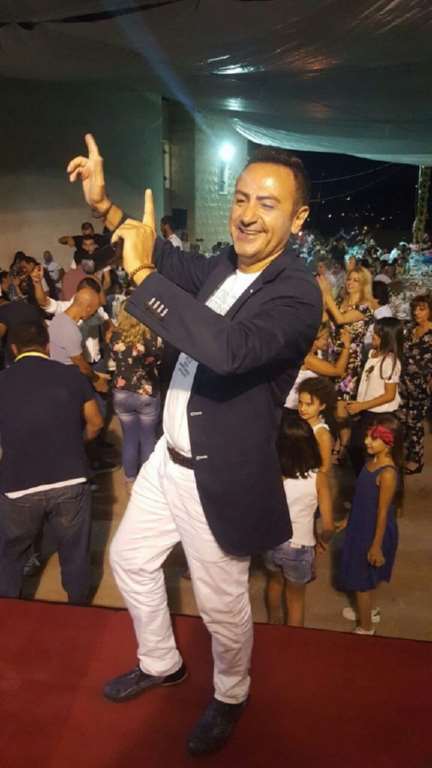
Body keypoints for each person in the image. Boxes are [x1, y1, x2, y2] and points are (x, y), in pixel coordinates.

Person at [67, 134, 321, 755]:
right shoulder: (222, 266)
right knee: (130, 560)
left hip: (218, 475)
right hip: (168, 460)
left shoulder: (297, 293)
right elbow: (162, 256)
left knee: (221, 607)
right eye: (241, 198)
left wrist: (141, 275)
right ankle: (162, 663)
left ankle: (231, 694)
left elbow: (229, 350)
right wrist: (106, 209)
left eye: (267, 203)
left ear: (298, 218)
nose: (247, 214)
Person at [0, 321, 103, 602]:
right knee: (75, 552)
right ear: (47, 346)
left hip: (19, 485)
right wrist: (75, 443)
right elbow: (95, 422)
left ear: (13, 349)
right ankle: (79, 607)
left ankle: (9, 609)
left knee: (11, 555)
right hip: (71, 479)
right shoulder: (72, 376)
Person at [265, 416, 334, 626]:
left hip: (271, 541)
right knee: (296, 599)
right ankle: (292, 638)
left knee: (274, 583)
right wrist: (322, 541)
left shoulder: (271, 474)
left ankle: (273, 624)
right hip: (300, 546)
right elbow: (328, 526)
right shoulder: (318, 478)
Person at [339, 415, 401, 634]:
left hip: (373, 530)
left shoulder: (387, 473)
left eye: (374, 439)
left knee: (361, 579)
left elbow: (382, 512)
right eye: (367, 436)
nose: (366, 441)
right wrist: (349, 519)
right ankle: (368, 610)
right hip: (361, 523)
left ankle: (366, 628)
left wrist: (376, 546)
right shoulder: (371, 461)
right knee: (365, 575)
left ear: (389, 442)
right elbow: (362, 498)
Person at [110, 304, 162, 490]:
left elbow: (114, 358)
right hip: (146, 392)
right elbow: (158, 359)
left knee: (129, 437)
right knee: (148, 438)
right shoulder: (152, 337)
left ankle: (130, 480)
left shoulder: (115, 336)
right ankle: (148, 482)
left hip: (122, 393)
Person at [346, 318, 403, 475]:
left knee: (375, 451)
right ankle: (366, 478)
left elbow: (389, 395)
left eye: (377, 334)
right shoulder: (373, 354)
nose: (373, 336)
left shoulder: (389, 362)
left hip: (381, 414)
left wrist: (361, 406)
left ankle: (376, 481)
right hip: (368, 410)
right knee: (356, 447)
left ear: (388, 338)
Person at [48, 286, 109, 395]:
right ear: (88, 308)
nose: (93, 315)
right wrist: (97, 380)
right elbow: (80, 364)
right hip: (69, 385)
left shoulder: (58, 319)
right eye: (94, 311)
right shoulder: (71, 329)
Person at [399, 294, 432, 474]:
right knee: (402, 420)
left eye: (422, 309)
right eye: (415, 309)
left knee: (415, 423)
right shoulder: (409, 330)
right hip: (403, 383)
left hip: (421, 386)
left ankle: (416, 460)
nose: (417, 312)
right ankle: (404, 455)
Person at [297, 377, 337, 474]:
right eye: (300, 403)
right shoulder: (297, 424)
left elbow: (325, 467)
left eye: (309, 404)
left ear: (322, 406)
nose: (302, 408)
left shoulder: (322, 434)